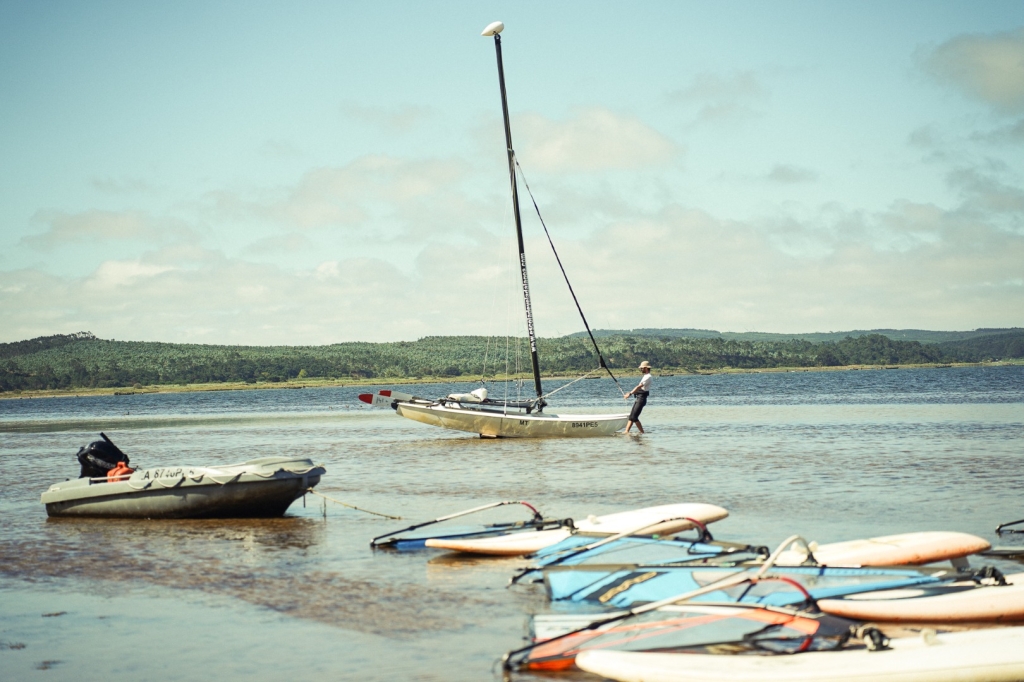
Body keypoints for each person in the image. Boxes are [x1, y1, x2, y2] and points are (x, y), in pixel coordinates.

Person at [624, 361, 652, 434]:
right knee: (631, 416)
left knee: (634, 417)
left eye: (642, 368)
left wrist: (630, 394)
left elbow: (639, 387)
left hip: (641, 399)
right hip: (639, 398)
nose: (640, 369)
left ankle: (642, 432)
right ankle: (626, 432)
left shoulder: (648, 377)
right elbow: (640, 389)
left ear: (646, 368)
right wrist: (632, 393)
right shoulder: (645, 376)